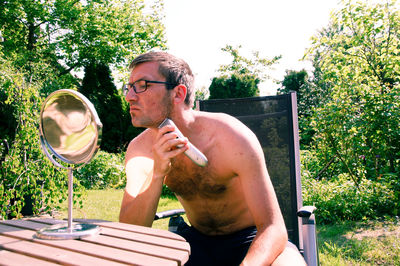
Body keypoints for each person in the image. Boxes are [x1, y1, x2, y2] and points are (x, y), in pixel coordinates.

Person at [119, 51, 306, 265]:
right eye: (129, 86)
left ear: (178, 93)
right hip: (194, 244)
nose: (129, 96)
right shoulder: (140, 149)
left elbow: (273, 228)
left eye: (143, 85)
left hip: (251, 239)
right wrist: (158, 173)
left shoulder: (231, 136)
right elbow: (130, 231)